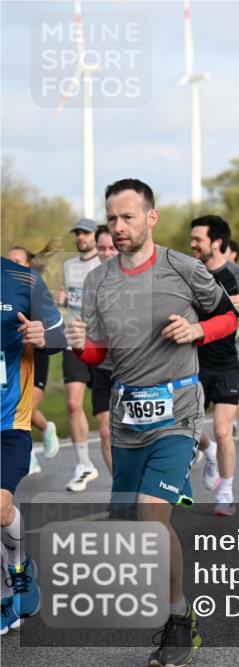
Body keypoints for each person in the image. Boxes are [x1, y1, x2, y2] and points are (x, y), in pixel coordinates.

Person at [66, 178, 239, 665]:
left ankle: (179, 620)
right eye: (112, 219)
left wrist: (197, 329)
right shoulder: (99, 280)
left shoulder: (181, 267)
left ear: (151, 218)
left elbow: (228, 317)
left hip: (178, 408)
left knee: (151, 516)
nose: (118, 228)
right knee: (130, 528)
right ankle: (175, 608)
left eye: (127, 218)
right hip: (127, 415)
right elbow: (102, 352)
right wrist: (81, 344)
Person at [1, 257, 65, 635]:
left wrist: (44, 338)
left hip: (10, 419)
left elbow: (59, 337)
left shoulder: (21, 279)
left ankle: (16, 579)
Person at [189, 215, 239, 516]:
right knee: (186, 425)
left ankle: (226, 493)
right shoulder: (191, 273)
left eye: (198, 239)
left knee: (223, 429)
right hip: (192, 361)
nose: (192, 244)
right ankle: (208, 451)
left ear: (218, 243)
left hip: (228, 362)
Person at [57, 218, 102, 492]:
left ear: (96, 235)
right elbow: (69, 301)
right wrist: (61, 301)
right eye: (78, 234)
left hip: (102, 343)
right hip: (73, 341)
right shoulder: (68, 266)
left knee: (109, 416)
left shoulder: (107, 262)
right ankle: (84, 464)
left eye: (86, 233)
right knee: (73, 404)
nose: (81, 238)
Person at [8, 246, 59, 469]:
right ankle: (44, 430)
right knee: (15, 408)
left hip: (36, 354)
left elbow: (54, 328)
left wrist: (39, 334)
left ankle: (26, 455)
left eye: (18, 261)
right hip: (11, 360)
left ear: (28, 265)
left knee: (23, 407)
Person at [90, 225, 118, 473]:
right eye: (102, 248)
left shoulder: (138, 278)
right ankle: (121, 493)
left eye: (112, 247)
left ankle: (204, 446)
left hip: (134, 369)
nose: (107, 253)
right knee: (106, 432)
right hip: (101, 367)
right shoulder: (92, 282)